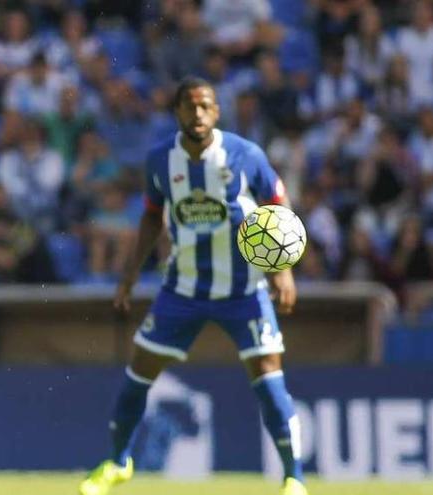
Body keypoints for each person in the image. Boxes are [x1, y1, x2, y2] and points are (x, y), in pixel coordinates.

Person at [78, 78, 308, 495]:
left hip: (244, 289)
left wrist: (284, 269)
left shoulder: (245, 155)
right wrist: (129, 276)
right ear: (178, 113)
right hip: (183, 289)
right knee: (138, 371)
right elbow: (151, 216)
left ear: (216, 112)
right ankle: (117, 463)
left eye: (205, 106)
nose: (198, 114)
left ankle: (294, 476)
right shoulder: (161, 160)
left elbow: (278, 206)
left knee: (269, 375)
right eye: (189, 106)